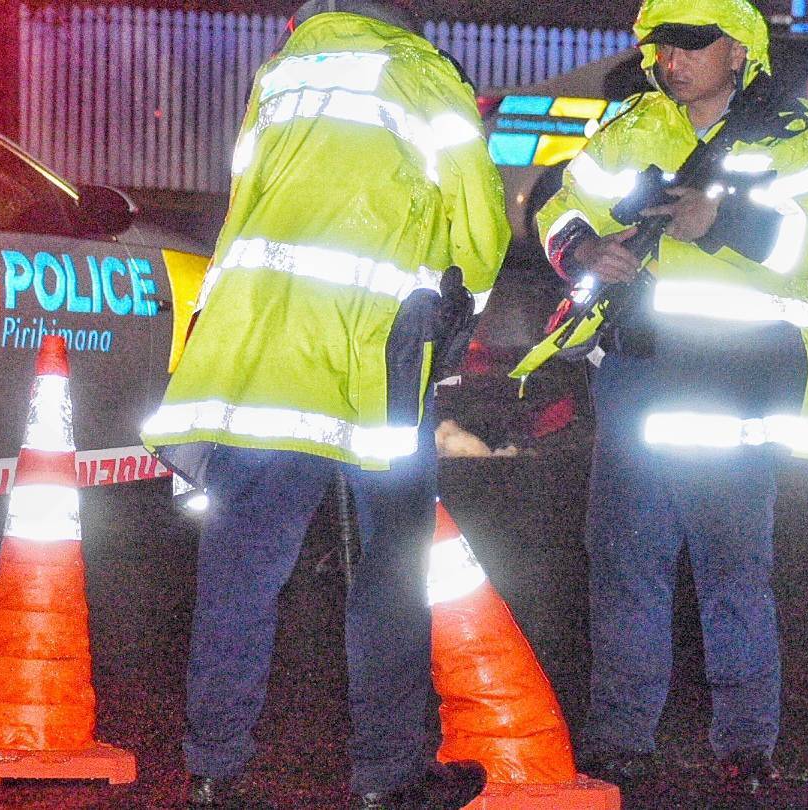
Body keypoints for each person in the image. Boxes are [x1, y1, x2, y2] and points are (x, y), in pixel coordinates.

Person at [140, 1, 509, 807]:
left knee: (241, 568)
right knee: (388, 570)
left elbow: (248, 202)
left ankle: (212, 768)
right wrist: (465, 306)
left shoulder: (282, 78)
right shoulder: (420, 72)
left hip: (263, 358)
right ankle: (387, 777)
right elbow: (480, 223)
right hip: (374, 360)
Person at [531, 0, 808, 796]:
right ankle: (620, 737)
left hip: (735, 379)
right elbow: (557, 200)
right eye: (663, 46)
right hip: (639, 371)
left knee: (731, 566)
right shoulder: (637, 124)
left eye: (691, 45)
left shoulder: (789, 135)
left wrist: (720, 219)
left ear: (738, 51)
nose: (673, 61)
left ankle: (746, 742)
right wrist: (583, 246)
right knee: (625, 561)